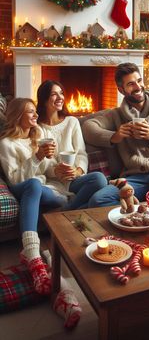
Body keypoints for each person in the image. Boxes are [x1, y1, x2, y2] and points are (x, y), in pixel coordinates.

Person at [82, 62, 149, 207]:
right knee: (99, 200)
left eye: (139, 81)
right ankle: (138, 222)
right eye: (131, 84)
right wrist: (114, 136)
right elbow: (87, 127)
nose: (138, 87)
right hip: (136, 178)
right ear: (121, 90)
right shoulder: (115, 115)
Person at [0, 98, 66, 295]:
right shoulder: (6, 143)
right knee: (35, 183)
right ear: (17, 116)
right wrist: (37, 157)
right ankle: (33, 255)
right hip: (21, 187)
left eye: (35, 110)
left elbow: (47, 172)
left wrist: (59, 167)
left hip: (42, 187)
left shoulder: (37, 137)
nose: (36, 115)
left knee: (64, 200)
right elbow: (15, 177)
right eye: (30, 112)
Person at [36, 79, 107, 210]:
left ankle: (65, 211)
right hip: (53, 182)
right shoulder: (37, 128)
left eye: (61, 93)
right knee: (93, 203)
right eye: (54, 94)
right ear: (44, 99)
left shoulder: (72, 122)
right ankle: (75, 208)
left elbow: (81, 152)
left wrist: (77, 171)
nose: (60, 97)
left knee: (99, 179)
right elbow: (40, 161)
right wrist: (55, 171)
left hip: (74, 179)